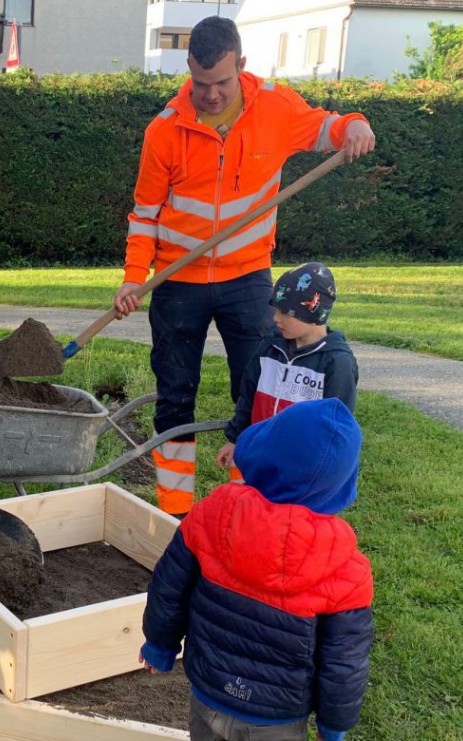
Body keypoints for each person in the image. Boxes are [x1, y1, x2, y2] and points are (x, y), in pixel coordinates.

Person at [113, 15, 376, 517]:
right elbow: (144, 215)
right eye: (199, 83)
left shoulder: (275, 106)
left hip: (247, 276)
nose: (209, 95)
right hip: (178, 282)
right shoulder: (165, 131)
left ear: (242, 66)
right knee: (174, 394)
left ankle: (244, 503)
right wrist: (133, 279)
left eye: (221, 83)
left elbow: (327, 128)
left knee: (256, 389)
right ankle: (175, 512)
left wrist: (354, 124)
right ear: (188, 71)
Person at [140, 398, 374, 741]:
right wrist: (333, 723)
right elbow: (344, 661)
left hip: (209, 692)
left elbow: (169, 586)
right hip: (277, 720)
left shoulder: (212, 512)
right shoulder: (347, 568)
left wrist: (159, 646)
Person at [216, 262, 358, 476]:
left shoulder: (337, 363)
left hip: (300, 470)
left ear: (312, 313)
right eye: (276, 309)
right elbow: (247, 397)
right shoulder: (269, 348)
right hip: (257, 458)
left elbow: (337, 427)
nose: (275, 318)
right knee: (245, 506)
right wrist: (236, 440)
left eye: (285, 312)